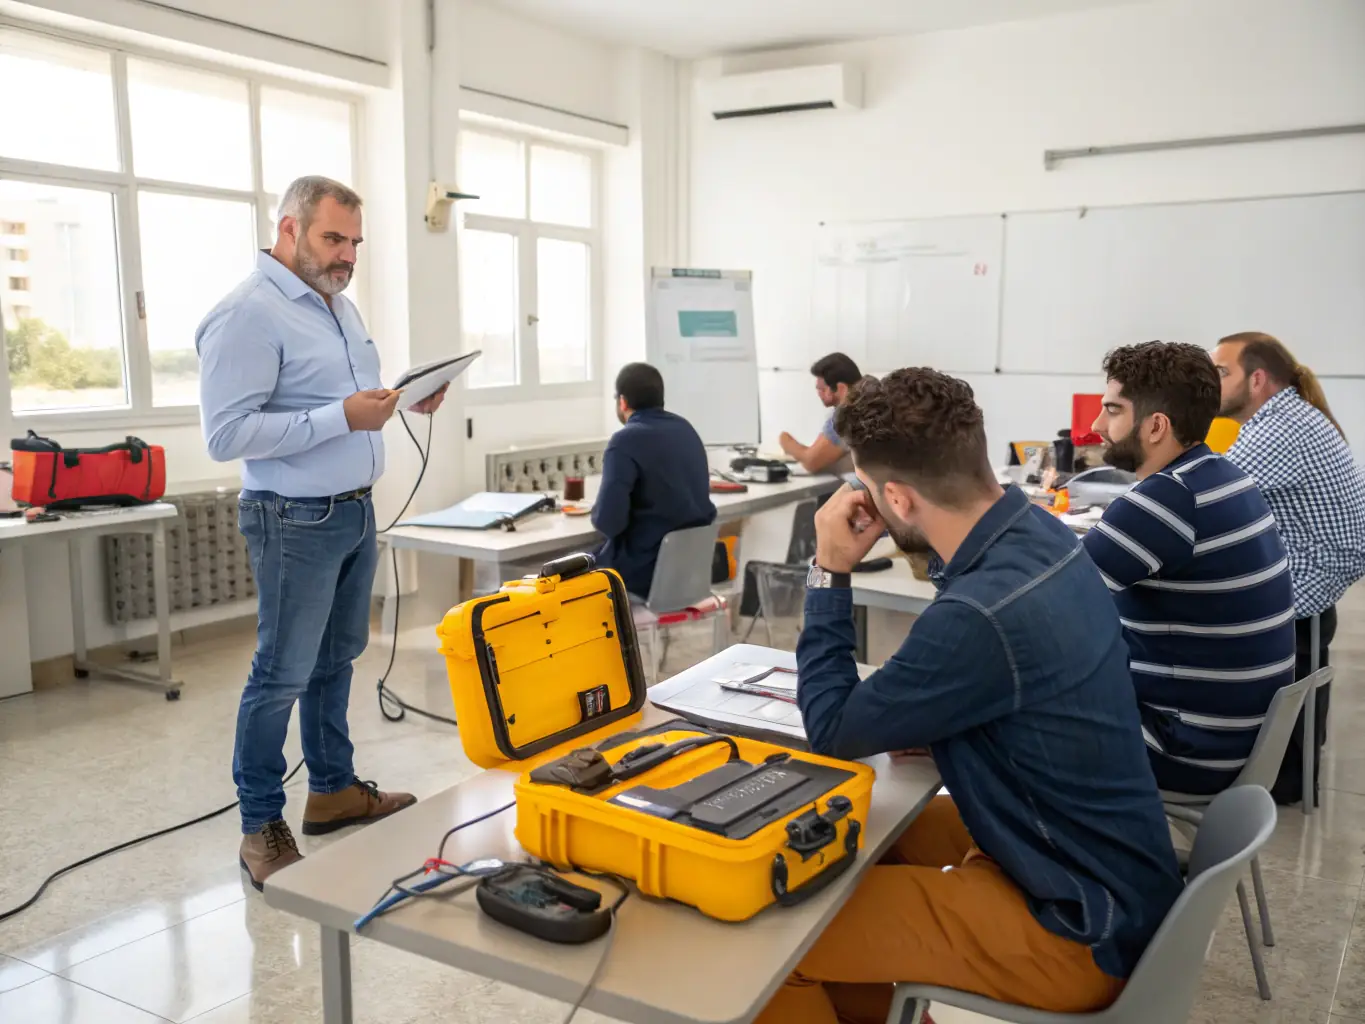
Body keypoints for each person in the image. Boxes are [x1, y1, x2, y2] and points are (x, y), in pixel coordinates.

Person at [757, 368, 1182, 1024]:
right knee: (856, 828)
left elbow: (834, 730)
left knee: (775, 944)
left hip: (1072, 925)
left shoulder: (980, 615)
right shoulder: (1040, 535)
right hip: (1102, 868)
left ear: (895, 498)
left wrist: (830, 568)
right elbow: (1013, 681)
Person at [198, 176, 445, 890]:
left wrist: (406, 401)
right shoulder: (248, 314)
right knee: (280, 674)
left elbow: (345, 404)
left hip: (353, 508)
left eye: (354, 243)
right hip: (292, 519)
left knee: (337, 660)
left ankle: (333, 790)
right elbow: (227, 434)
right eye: (332, 239)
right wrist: (343, 416)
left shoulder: (335, 306)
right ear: (287, 231)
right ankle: (259, 826)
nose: (346, 257)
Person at [1081, 341, 1295, 796]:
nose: (1097, 425)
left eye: (1112, 410)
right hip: (1235, 737)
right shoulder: (1224, 476)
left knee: (1006, 717)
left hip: (1185, 750)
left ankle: (1038, 862)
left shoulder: (1165, 500)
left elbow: (1042, 600)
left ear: (1156, 426)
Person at [1213, 331, 1365, 804]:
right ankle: (1281, 772)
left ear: (1257, 379)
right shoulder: (1286, 417)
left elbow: (1211, 490)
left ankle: (1246, 772)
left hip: (1308, 580)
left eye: (1221, 372)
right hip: (1316, 576)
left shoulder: (1282, 426)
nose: (1210, 382)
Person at [592, 363, 715, 598]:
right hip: (690, 572)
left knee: (565, 574)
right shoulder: (686, 429)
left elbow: (608, 523)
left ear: (623, 402)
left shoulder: (624, 441)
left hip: (643, 574)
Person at [778, 352, 861, 474]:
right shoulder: (872, 405)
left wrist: (784, 440)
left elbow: (811, 462)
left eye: (822, 389)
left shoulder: (847, 415)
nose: (819, 393)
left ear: (841, 388)